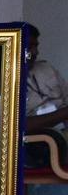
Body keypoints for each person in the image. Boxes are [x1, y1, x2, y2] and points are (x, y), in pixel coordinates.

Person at [24, 24, 68, 171]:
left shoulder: (46, 68)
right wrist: (62, 114)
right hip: (39, 141)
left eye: (36, 46)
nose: (35, 52)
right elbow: (20, 126)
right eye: (29, 47)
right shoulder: (3, 78)